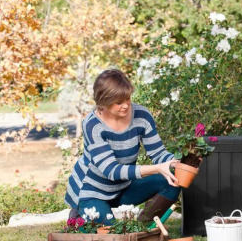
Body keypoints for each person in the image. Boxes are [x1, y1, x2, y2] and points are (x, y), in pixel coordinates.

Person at [64, 68, 181, 224]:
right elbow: (111, 171)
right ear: (103, 102)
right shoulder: (93, 125)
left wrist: (178, 163)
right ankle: (79, 213)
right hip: (91, 191)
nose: (126, 105)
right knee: (112, 232)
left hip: (124, 187)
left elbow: (158, 153)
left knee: (173, 180)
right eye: (118, 102)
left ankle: (144, 227)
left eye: (127, 98)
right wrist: (157, 168)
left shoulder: (142, 116)